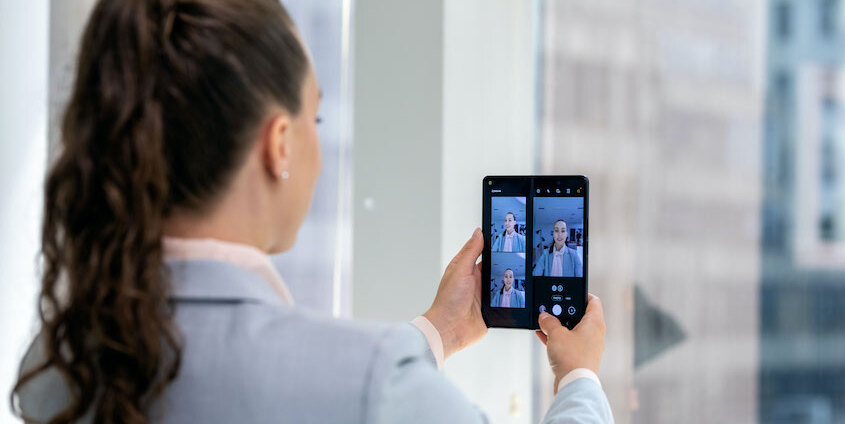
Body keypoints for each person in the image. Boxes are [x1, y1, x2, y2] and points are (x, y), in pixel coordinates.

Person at [10, 1, 612, 423]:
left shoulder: (60, 363)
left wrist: (442, 331)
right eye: (314, 119)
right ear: (278, 145)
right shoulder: (375, 386)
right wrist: (578, 378)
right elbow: (341, 389)